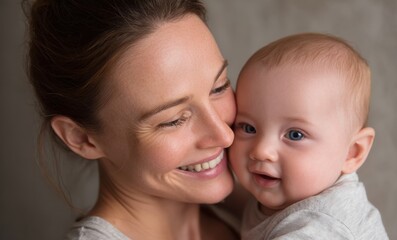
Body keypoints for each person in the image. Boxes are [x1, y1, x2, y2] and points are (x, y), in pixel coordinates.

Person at [23, 0, 242, 239]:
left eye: (219, 88)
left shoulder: (258, 215)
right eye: (173, 120)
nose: (224, 135)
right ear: (82, 138)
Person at [229, 33, 389, 239]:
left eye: (295, 135)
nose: (261, 150)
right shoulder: (287, 194)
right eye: (248, 128)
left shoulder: (322, 225)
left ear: (352, 152)